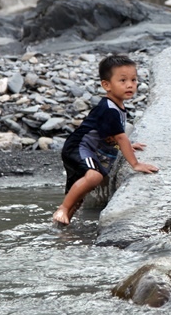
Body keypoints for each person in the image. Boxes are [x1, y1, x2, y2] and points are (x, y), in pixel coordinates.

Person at [53, 55, 158, 225]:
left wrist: (129, 146)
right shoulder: (109, 108)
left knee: (78, 197)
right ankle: (63, 209)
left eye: (134, 79)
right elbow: (119, 136)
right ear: (106, 85)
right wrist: (135, 164)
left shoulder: (117, 106)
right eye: (122, 80)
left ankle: (63, 227)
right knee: (94, 177)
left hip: (84, 148)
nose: (130, 85)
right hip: (79, 147)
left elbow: (109, 134)